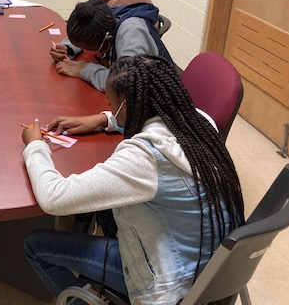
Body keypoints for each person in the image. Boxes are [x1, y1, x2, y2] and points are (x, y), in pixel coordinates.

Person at [21, 55, 245, 304]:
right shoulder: (196, 120)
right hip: (205, 265)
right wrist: (104, 119)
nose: (110, 109)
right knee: (107, 211)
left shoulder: (145, 159)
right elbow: (145, 120)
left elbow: (54, 198)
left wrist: (35, 147)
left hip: (169, 283)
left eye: (111, 104)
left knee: (36, 246)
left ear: (127, 105)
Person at [51, 0, 173, 93]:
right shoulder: (107, 17)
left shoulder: (132, 35)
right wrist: (67, 48)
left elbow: (127, 83)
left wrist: (84, 70)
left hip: (159, 97)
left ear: (107, 40)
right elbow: (86, 30)